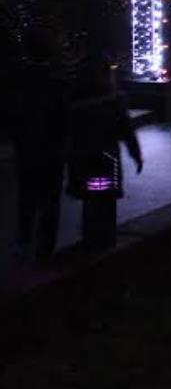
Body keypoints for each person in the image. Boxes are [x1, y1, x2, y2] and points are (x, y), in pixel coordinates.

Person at [66, 55, 143, 252]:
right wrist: (136, 155)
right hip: (107, 158)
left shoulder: (74, 100)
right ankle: (106, 240)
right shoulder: (113, 99)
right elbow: (126, 130)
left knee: (89, 200)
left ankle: (90, 239)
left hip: (83, 158)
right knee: (107, 201)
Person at [10, 26, 69, 263]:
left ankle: (25, 243)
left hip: (27, 149)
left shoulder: (18, 80)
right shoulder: (57, 82)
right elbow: (64, 118)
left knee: (27, 198)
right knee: (50, 200)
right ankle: (45, 248)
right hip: (51, 150)